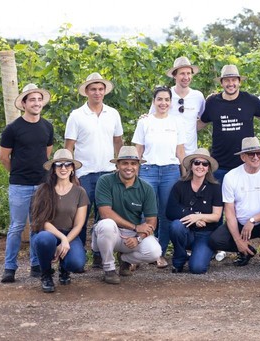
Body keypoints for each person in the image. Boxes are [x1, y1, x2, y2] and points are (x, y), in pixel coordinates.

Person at [64, 72, 123, 268]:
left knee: (105, 216)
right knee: (81, 215)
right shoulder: (76, 115)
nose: (97, 92)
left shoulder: (113, 114)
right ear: (86, 92)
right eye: (93, 89)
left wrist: (120, 167)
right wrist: (72, 173)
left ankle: (100, 253)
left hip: (108, 173)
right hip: (85, 174)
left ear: (105, 91)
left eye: (100, 89)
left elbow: (118, 141)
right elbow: (69, 146)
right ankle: (77, 254)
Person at [0, 83, 54, 283]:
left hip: (42, 184)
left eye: (39, 100)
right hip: (19, 185)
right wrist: (17, 173)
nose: (36, 103)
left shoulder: (47, 126)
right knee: (17, 226)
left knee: (38, 226)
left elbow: (46, 154)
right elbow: (3, 157)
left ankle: (36, 264)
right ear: (23, 104)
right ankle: (10, 268)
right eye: (32, 100)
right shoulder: (12, 129)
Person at [209, 137, 260, 273]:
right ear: (243, 157)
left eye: (259, 153)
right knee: (216, 240)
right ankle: (245, 251)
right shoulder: (231, 176)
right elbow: (229, 212)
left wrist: (253, 220)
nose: (256, 157)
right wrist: (238, 240)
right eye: (251, 154)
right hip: (240, 224)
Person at [133, 86, 187, 268]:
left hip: (170, 172)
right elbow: (138, 150)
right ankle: (139, 254)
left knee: (166, 214)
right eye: (160, 99)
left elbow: (180, 151)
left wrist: (184, 173)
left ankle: (159, 253)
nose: (163, 103)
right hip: (147, 170)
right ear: (154, 101)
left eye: (166, 99)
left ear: (171, 103)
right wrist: (134, 174)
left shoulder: (176, 122)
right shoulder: (145, 122)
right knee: (145, 212)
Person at [93, 146, 161, 284]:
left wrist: (139, 238)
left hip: (131, 236)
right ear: (117, 165)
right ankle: (109, 269)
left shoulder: (146, 188)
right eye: (125, 163)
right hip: (109, 233)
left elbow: (151, 221)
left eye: (133, 163)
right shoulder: (105, 181)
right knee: (107, 225)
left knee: (155, 252)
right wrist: (135, 227)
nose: (129, 167)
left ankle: (124, 260)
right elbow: (105, 213)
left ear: (138, 166)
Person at [29, 149, 89, 292]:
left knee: (77, 263)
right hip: (48, 234)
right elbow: (42, 221)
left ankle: (64, 268)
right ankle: (46, 274)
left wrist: (66, 241)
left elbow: (79, 224)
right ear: (53, 169)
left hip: (70, 234)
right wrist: (62, 239)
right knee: (44, 239)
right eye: (59, 165)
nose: (63, 168)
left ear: (72, 169)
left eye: (67, 164)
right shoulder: (43, 190)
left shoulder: (80, 192)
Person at [199, 64, 260, 183]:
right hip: (220, 166)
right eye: (227, 80)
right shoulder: (212, 102)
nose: (231, 84)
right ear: (221, 83)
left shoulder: (251, 101)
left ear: (239, 82)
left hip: (245, 164)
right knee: (219, 195)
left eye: (234, 80)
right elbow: (201, 123)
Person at [166, 148, 223, 274]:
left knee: (197, 268)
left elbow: (216, 216)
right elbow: (170, 211)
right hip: (186, 231)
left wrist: (198, 217)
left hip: (205, 234)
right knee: (176, 226)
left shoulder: (215, 188)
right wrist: (193, 218)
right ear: (191, 166)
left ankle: (203, 253)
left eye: (205, 164)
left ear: (208, 168)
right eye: (197, 163)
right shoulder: (180, 185)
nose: (200, 166)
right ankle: (179, 258)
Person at [150, 56, 206, 154]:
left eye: (189, 73)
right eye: (182, 73)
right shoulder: (164, 95)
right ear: (174, 75)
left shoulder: (198, 96)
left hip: (190, 153)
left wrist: (191, 128)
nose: (186, 77)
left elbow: (204, 119)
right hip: (168, 153)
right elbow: (152, 119)